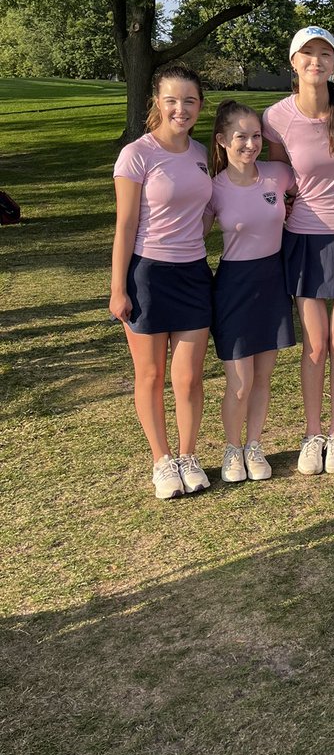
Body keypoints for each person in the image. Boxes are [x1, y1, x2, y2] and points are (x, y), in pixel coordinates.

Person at [263, 26, 334, 476]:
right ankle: (312, 435)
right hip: (304, 238)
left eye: (324, 53)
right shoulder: (276, 116)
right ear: (294, 62)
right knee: (314, 345)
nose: (316, 61)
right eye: (306, 54)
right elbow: (278, 176)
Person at [109, 63, 213, 500]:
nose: (181, 109)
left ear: (200, 105)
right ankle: (162, 459)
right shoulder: (137, 154)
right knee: (150, 376)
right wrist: (118, 287)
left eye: (189, 101)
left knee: (188, 378)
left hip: (194, 273)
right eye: (172, 100)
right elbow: (126, 223)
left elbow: (206, 211)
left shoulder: (203, 153)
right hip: (147, 275)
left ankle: (188, 455)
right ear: (157, 101)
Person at [205, 101, 297, 485]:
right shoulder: (213, 188)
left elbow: (324, 188)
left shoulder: (278, 175)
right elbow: (189, 236)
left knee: (263, 376)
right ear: (223, 141)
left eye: (256, 135)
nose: (250, 143)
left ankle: (254, 445)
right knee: (239, 380)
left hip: (273, 280)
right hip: (234, 286)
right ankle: (231, 448)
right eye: (240, 136)